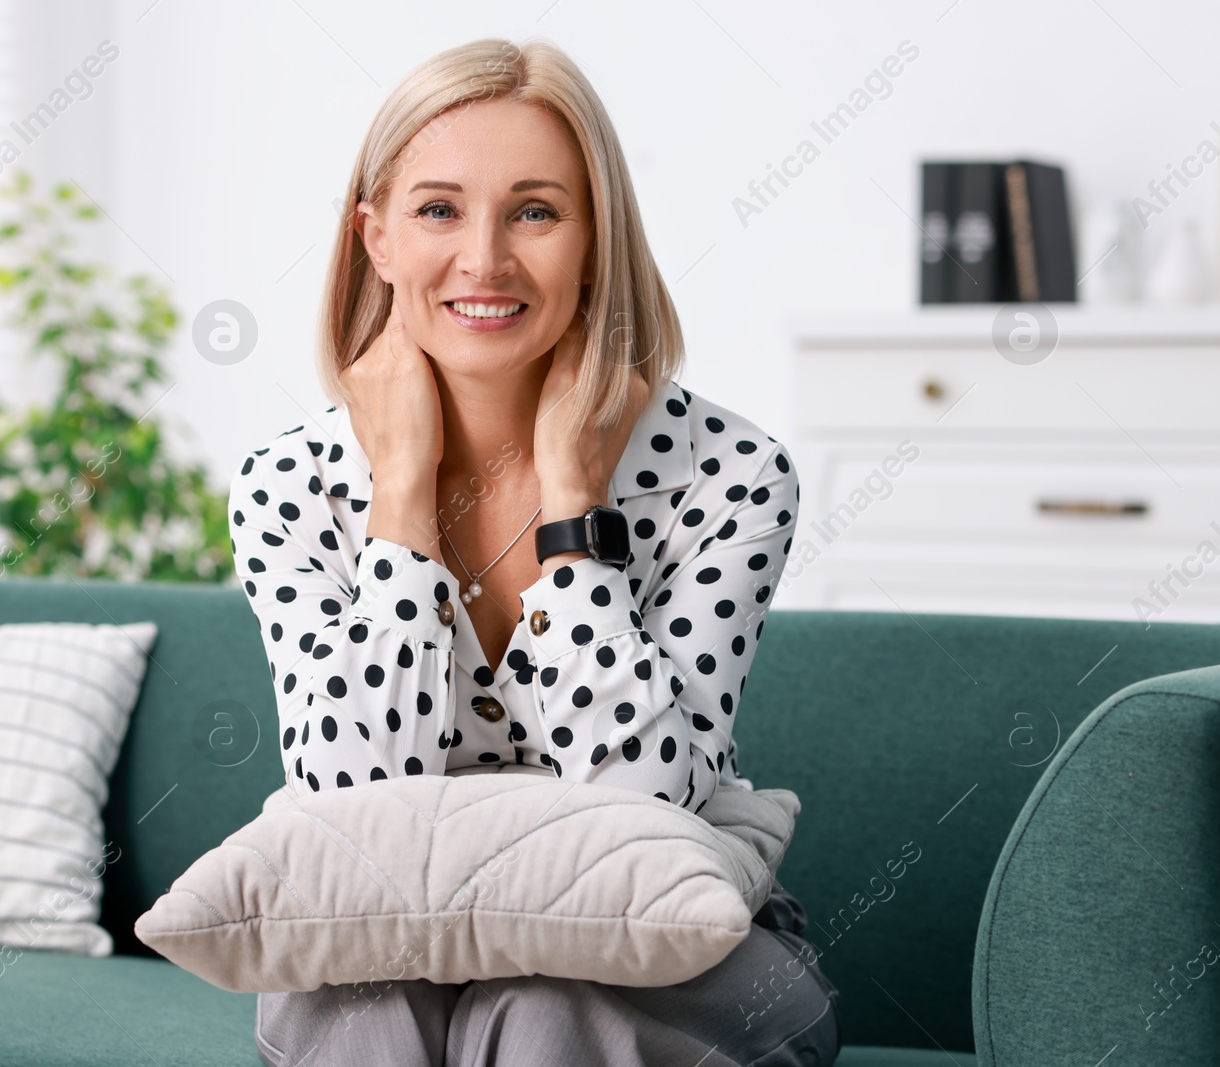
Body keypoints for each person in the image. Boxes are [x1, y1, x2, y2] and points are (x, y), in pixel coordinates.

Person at [227, 35, 839, 1067]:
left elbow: (645, 811)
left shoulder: (728, 471)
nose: (484, 259)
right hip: (382, 949)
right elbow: (349, 806)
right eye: (437, 209)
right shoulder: (286, 486)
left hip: (664, 951)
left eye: (535, 210)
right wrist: (402, 494)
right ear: (374, 238)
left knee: (544, 1004)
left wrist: (572, 508)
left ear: (596, 236)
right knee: (368, 1015)